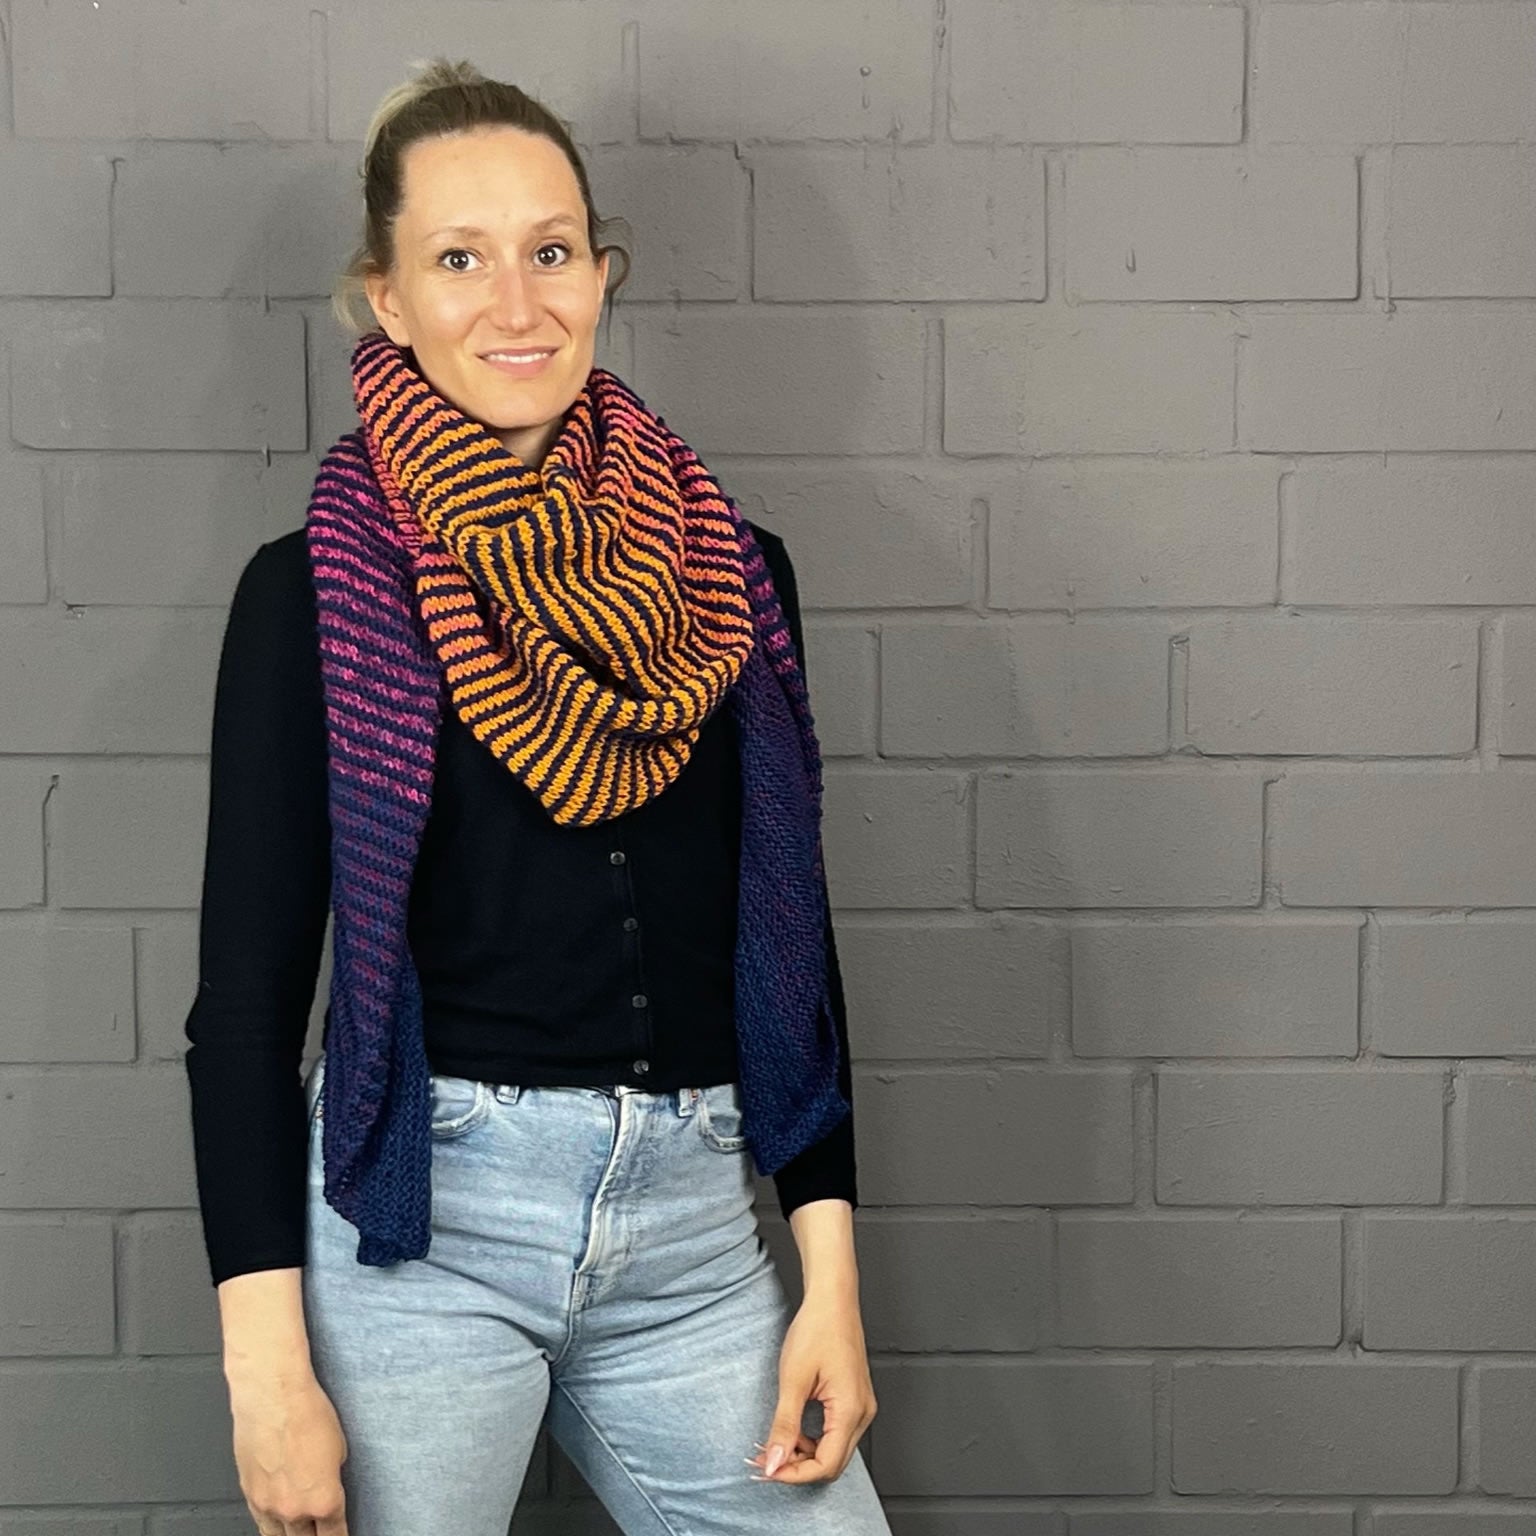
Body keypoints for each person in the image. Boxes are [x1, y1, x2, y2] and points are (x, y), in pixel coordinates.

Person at [183, 55, 893, 1536]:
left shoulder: (730, 572)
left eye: (552, 251)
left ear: (598, 273)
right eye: (460, 259)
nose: (518, 303)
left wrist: (829, 1282)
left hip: (694, 1234)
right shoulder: (317, 593)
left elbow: (788, 939)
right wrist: (264, 1373)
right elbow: (242, 1014)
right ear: (387, 297)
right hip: (423, 1236)